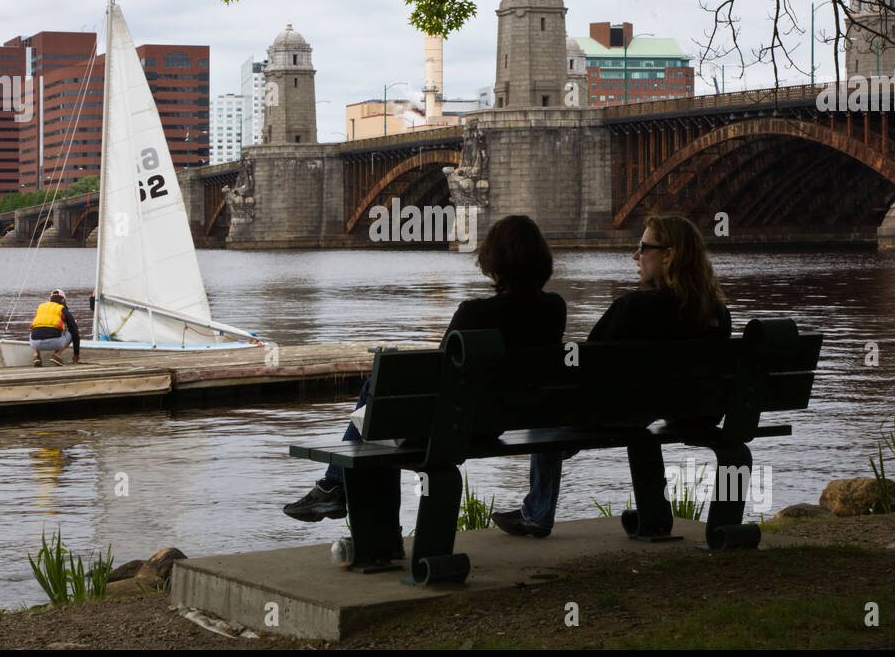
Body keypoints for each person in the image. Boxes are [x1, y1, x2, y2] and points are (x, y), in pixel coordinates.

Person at [283, 215, 567, 531]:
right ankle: (334, 487)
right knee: (382, 413)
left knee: (378, 402)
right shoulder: (555, 309)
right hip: (497, 424)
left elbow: (436, 375)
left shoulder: (474, 313)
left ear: (494, 261)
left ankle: (340, 492)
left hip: (454, 428)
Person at [493, 213, 730, 538]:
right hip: (687, 413)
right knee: (631, 416)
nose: (636, 255)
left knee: (547, 411)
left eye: (644, 247)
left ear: (669, 255)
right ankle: (654, 517)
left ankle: (537, 513)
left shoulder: (633, 307)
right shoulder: (716, 313)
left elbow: (587, 367)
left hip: (614, 413)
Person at [30, 289, 82, 367]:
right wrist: (76, 354)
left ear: (50, 299)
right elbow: (76, 334)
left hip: (35, 344)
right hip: (55, 343)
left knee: (34, 328)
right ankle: (57, 355)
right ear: (63, 300)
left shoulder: (40, 308)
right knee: (72, 332)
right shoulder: (62, 309)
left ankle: (36, 356)